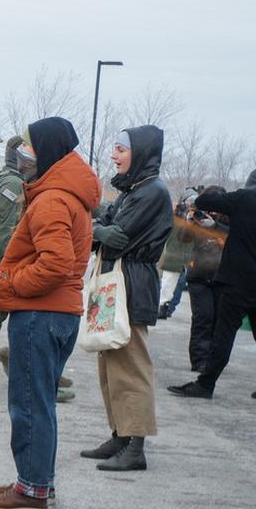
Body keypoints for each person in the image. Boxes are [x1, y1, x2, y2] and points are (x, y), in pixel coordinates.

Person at [0, 117, 98, 509]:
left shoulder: (52, 198)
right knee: (40, 401)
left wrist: (10, 282)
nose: (23, 155)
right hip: (58, 313)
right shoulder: (65, 193)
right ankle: (36, 481)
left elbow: (56, 264)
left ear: (47, 149)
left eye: (30, 147)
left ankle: (31, 491)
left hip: (40, 313)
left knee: (29, 403)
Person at [82, 126, 173, 473]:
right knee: (110, 364)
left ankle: (135, 445)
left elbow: (116, 236)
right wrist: (97, 227)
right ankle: (120, 434)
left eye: (121, 149)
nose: (114, 155)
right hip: (115, 282)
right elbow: (104, 224)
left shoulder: (152, 192)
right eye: (115, 148)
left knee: (131, 366)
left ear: (142, 153)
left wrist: (90, 228)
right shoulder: (131, 190)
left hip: (132, 284)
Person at [167, 165, 256, 401]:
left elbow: (207, 200)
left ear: (252, 184)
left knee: (223, 333)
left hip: (237, 281)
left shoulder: (245, 198)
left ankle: (205, 384)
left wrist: (194, 196)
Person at [174, 187, 227, 370]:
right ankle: (199, 361)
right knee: (203, 318)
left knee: (218, 320)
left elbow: (235, 239)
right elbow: (182, 239)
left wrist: (215, 226)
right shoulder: (198, 215)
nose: (212, 212)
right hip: (199, 276)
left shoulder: (230, 218)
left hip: (222, 278)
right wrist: (188, 222)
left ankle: (213, 361)